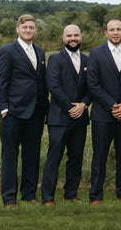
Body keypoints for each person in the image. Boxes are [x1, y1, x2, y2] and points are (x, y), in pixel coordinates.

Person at [0, 14, 49, 209]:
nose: (28, 30)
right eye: (24, 27)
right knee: (10, 156)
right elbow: (1, 82)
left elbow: (41, 82)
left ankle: (28, 194)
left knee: (32, 155)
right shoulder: (7, 51)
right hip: (13, 114)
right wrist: (4, 109)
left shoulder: (40, 52)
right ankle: (9, 198)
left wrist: (46, 108)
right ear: (18, 29)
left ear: (35, 30)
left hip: (35, 113)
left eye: (31, 27)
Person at [87, 17, 121, 205]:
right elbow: (93, 84)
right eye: (112, 29)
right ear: (106, 32)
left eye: (119, 29)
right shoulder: (95, 53)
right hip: (102, 114)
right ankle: (95, 195)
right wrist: (113, 105)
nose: (115, 32)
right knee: (100, 155)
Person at [41, 25, 91, 206]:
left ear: (81, 37)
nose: (73, 38)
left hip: (81, 118)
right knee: (54, 158)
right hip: (59, 117)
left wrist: (84, 104)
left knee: (76, 157)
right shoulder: (55, 59)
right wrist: (72, 108)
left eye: (76, 35)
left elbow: (92, 86)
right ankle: (47, 197)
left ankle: (71, 194)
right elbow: (53, 86)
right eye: (69, 35)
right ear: (63, 38)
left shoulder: (87, 60)